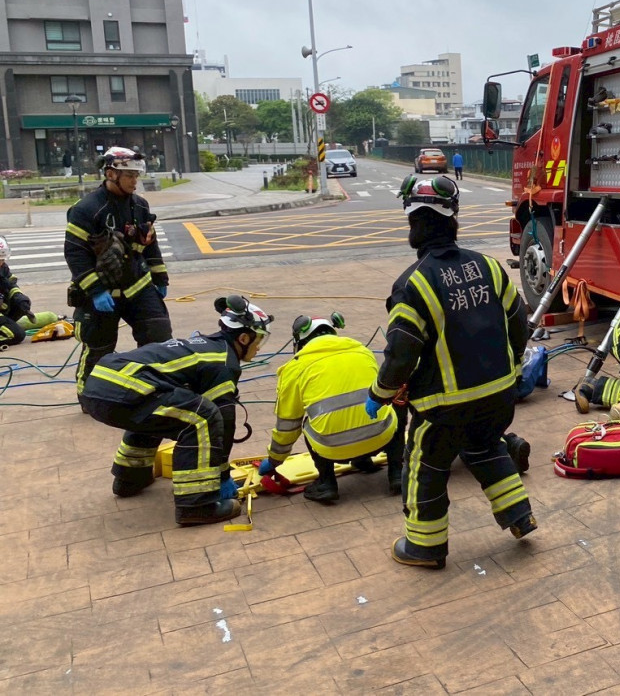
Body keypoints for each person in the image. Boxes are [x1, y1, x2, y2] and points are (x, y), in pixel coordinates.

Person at [368, 173, 535, 569]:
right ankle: (518, 514)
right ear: (453, 219)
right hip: (499, 397)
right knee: (486, 447)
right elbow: (520, 324)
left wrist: (380, 394)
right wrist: (509, 369)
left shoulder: (412, 285)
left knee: (424, 467)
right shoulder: (490, 268)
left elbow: (401, 353)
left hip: (444, 407)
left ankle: (424, 548)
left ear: (413, 225)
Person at [78, 295, 273, 526]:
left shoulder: (204, 346)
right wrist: (222, 475)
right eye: (258, 340)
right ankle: (197, 505)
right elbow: (224, 418)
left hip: (100, 386)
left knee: (163, 412)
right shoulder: (223, 361)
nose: (259, 347)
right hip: (127, 389)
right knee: (203, 418)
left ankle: (131, 479)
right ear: (243, 337)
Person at [258, 312, 405, 504]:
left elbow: (287, 425)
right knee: (394, 401)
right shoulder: (362, 351)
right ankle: (397, 474)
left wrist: (274, 460)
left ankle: (327, 483)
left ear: (300, 341)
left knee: (308, 420)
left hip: (332, 449)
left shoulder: (295, 368)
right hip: (381, 438)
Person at [64, 147, 172, 398]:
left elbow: (150, 243)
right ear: (111, 174)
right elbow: (75, 254)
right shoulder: (86, 209)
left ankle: (155, 388)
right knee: (99, 347)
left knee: (159, 337)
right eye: (130, 175)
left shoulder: (140, 206)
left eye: (137, 175)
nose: (136, 180)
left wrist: (160, 277)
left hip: (137, 286)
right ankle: (89, 396)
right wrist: (95, 290)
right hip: (101, 291)